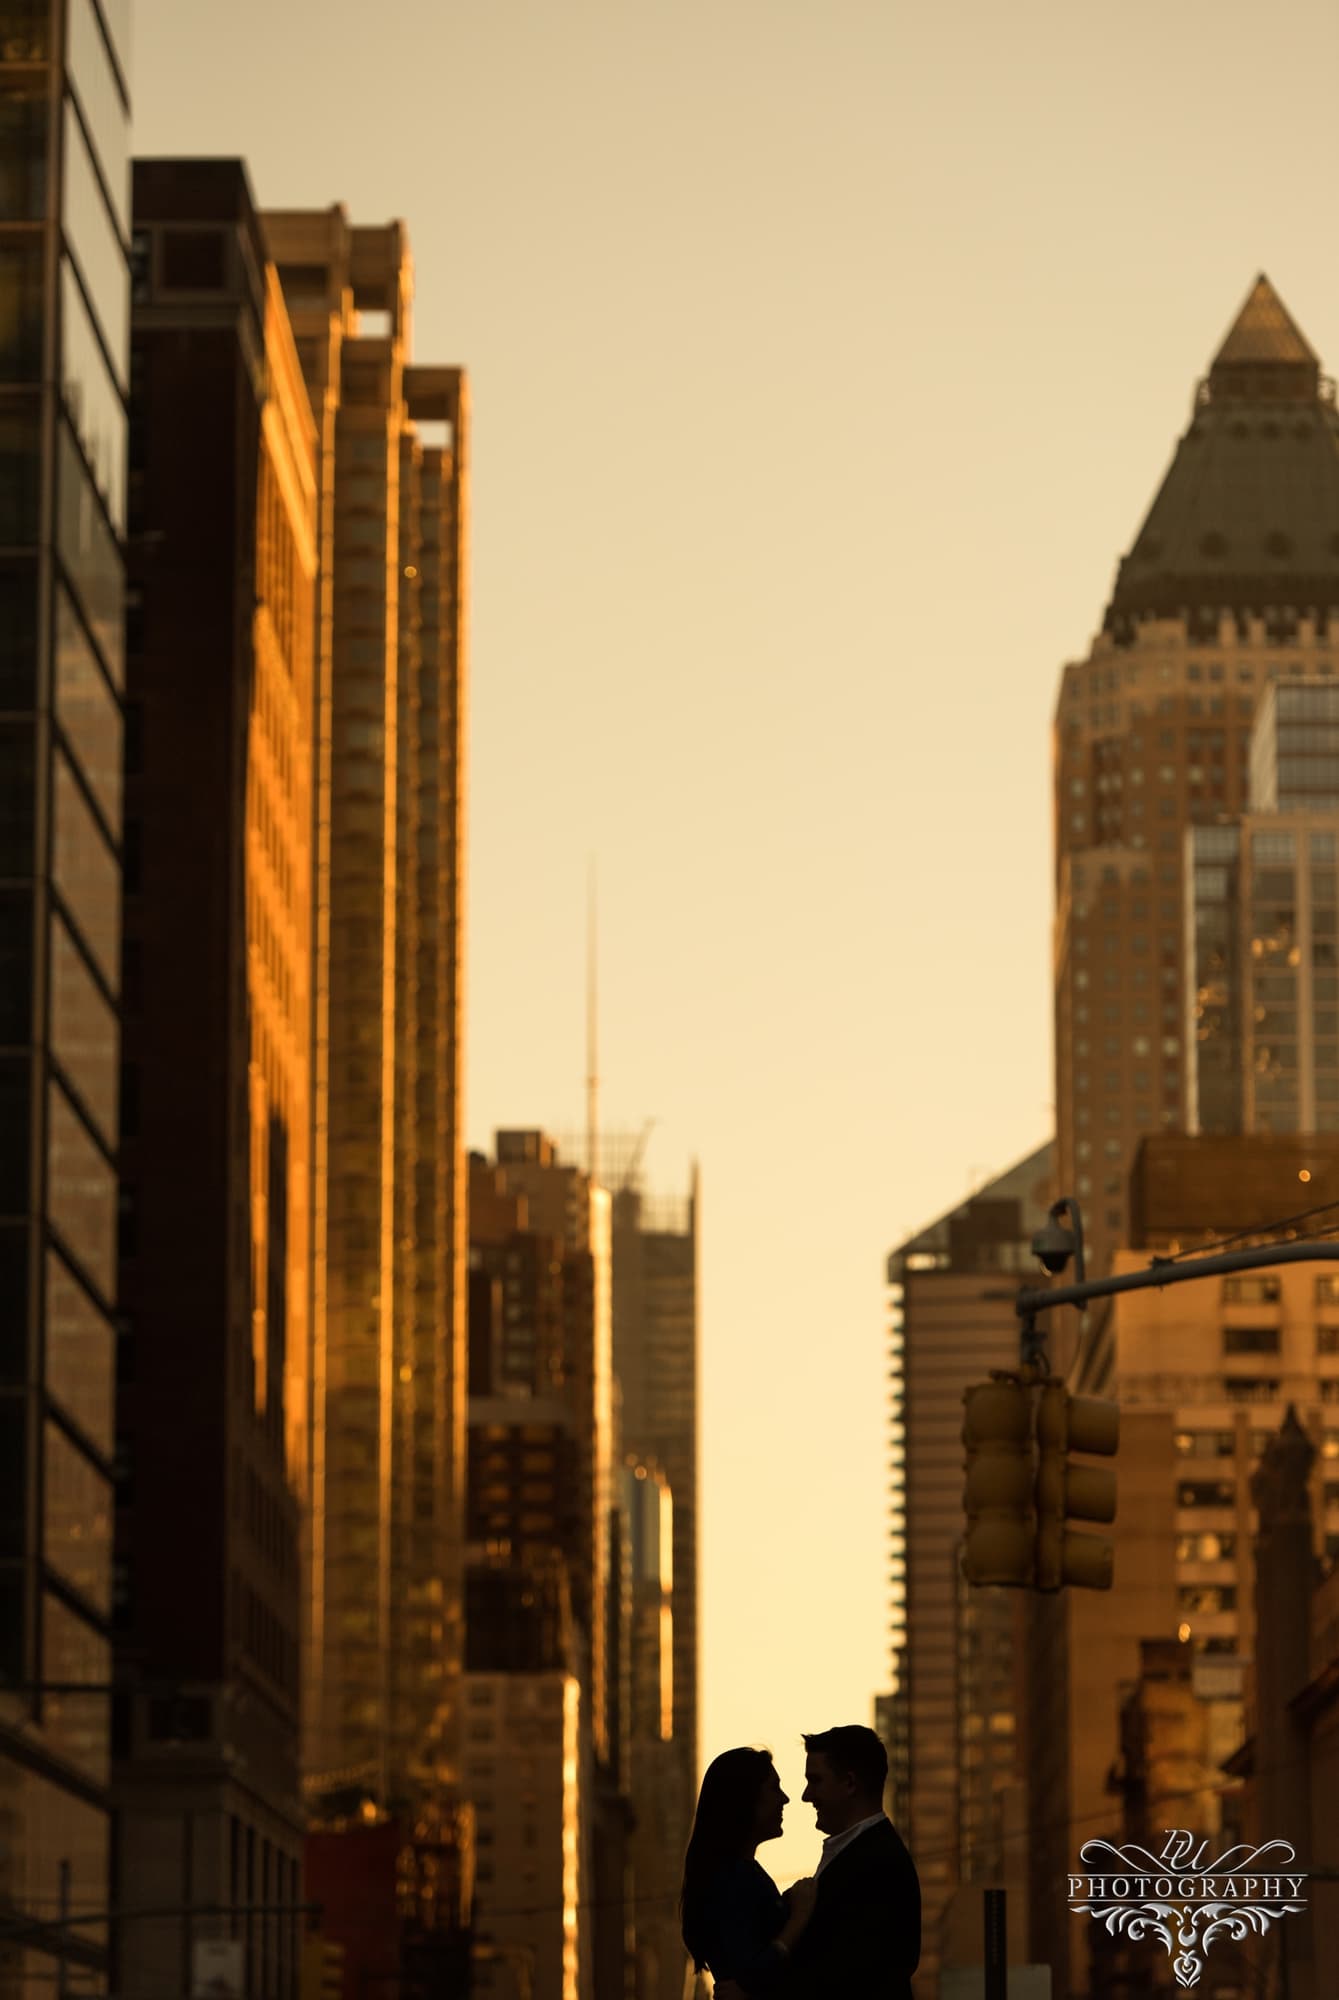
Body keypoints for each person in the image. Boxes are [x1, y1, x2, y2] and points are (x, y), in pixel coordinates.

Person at [716, 1725, 920, 2000]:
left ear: (849, 1783)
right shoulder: (860, 1855)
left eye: (815, 1780)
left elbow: (851, 1975)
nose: (805, 1795)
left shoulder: (879, 1865)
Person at [679, 1747, 819, 1992]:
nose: (785, 1799)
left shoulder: (742, 1873)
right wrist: (797, 1919)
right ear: (746, 1799)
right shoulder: (728, 1880)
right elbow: (746, 1977)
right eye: (774, 1788)